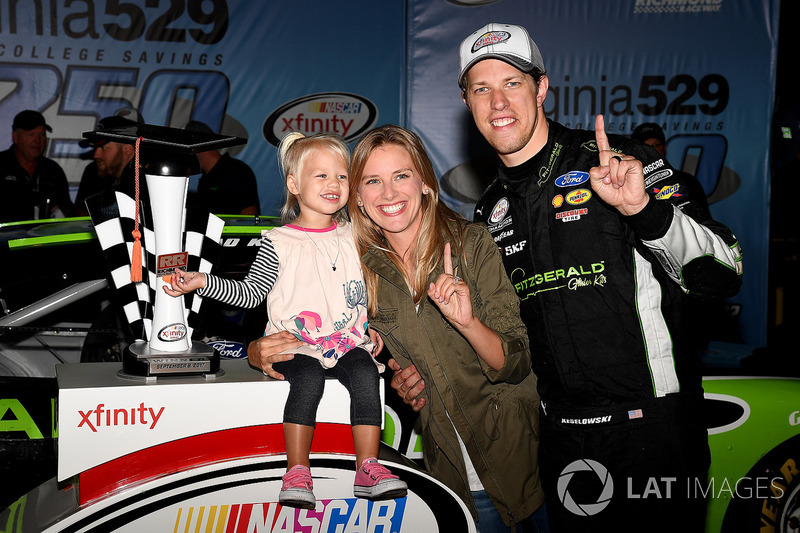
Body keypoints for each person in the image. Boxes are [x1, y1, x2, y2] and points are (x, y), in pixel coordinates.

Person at [392, 22, 743, 532]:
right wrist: (426, 369)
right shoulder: (489, 210)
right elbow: (498, 335)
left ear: (541, 88)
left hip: (652, 436)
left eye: (512, 83)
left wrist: (643, 210)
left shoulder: (621, 163)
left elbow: (725, 272)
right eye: (481, 89)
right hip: (558, 441)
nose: (498, 103)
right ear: (466, 103)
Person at [163, 131, 407, 509]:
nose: (333, 184)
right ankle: (297, 471)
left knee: (365, 376)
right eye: (320, 175)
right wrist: (202, 282)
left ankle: (368, 467)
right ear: (294, 184)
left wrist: (372, 323)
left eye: (342, 176)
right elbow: (249, 293)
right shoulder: (278, 241)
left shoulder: (357, 235)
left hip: (347, 342)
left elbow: (368, 289)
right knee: (307, 381)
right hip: (297, 344)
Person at [350, 124, 546, 532]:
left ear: (423, 182)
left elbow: (516, 362)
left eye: (401, 175)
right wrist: (402, 381)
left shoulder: (470, 244)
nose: (389, 194)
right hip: (447, 469)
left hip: (513, 461)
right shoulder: (359, 270)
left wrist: (468, 323)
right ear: (358, 198)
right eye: (373, 181)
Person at [0, 110, 74, 222]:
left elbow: (69, 210)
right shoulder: (1, 165)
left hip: (45, 238)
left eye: (42, 134)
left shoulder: (53, 170)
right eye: (31, 134)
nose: (38, 140)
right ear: (15, 137)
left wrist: (60, 212)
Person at [74, 108, 145, 216]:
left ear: (127, 149)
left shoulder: (149, 181)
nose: (95, 155)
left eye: (103, 147)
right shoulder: (93, 171)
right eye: (96, 148)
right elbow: (81, 215)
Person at [184, 120, 260, 216]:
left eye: (187, 149)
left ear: (198, 146)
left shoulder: (237, 171)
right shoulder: (204, 180)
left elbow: (249, 215)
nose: (186, 155)